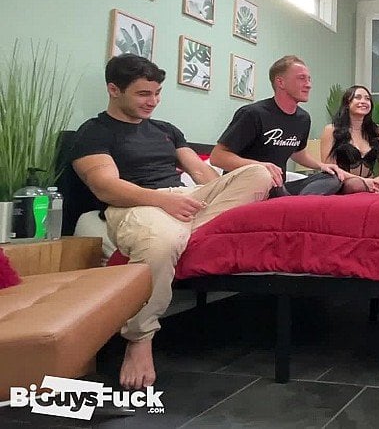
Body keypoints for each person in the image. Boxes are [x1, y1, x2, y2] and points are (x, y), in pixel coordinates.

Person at [71, 55, 272, 389]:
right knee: (161, 244)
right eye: (143, 94)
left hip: (183, 198)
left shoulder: (166, 130)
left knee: (257, 173)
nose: (153, 101)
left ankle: (190, 231)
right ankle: (139, 338)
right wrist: (164, 201)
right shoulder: (94, 132)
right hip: (136, 203)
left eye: (157, 93)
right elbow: (105, 186)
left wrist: (213, 195)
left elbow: (202, 173)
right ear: (114, 90)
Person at [211, 55, 342, 197]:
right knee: (268, 180)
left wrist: (321, 166)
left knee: (332, 178)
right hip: (248, 186)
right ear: (281, 82)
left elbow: (297, 152)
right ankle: (295, 203)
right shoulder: (253, 114)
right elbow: (217, 157)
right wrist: (260, 167)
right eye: (301, 78)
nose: (308, 84)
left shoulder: (303, 118)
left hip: (279, 186)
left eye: (309, 79)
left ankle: (296, 203)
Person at [318, 85, 379, 194]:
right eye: (358, 97)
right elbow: (331, 168)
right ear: (347, 103)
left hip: (372, 181)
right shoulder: (331, 130)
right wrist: (364, 181)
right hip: (345, 183)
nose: (363, 101)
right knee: (357, 184)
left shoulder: (378, 130)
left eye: (367, 98)